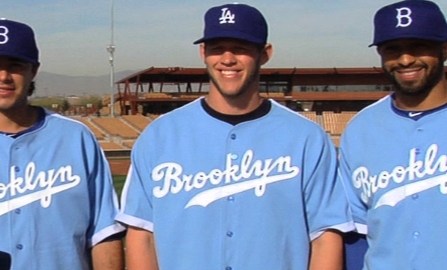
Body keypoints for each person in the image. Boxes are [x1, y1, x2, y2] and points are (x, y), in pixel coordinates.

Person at [116, 3, 354, 270]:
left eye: (240, 48)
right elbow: (141, 234)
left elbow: (325, 236)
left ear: (265, 54)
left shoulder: (306, 137)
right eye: (217, 48)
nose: (227, 59)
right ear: (203, 52)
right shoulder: (160, 135)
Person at [0, 19, 125, 269]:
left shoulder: (75, 137)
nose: (3, 76)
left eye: (15, 65)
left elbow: (104, 233)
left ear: (34, 70)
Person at [339, 0, 447, 269]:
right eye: (393, 49)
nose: (406, 59)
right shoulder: (361, 129)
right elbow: (356, 232)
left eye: (419, 46)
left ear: (444, 49)